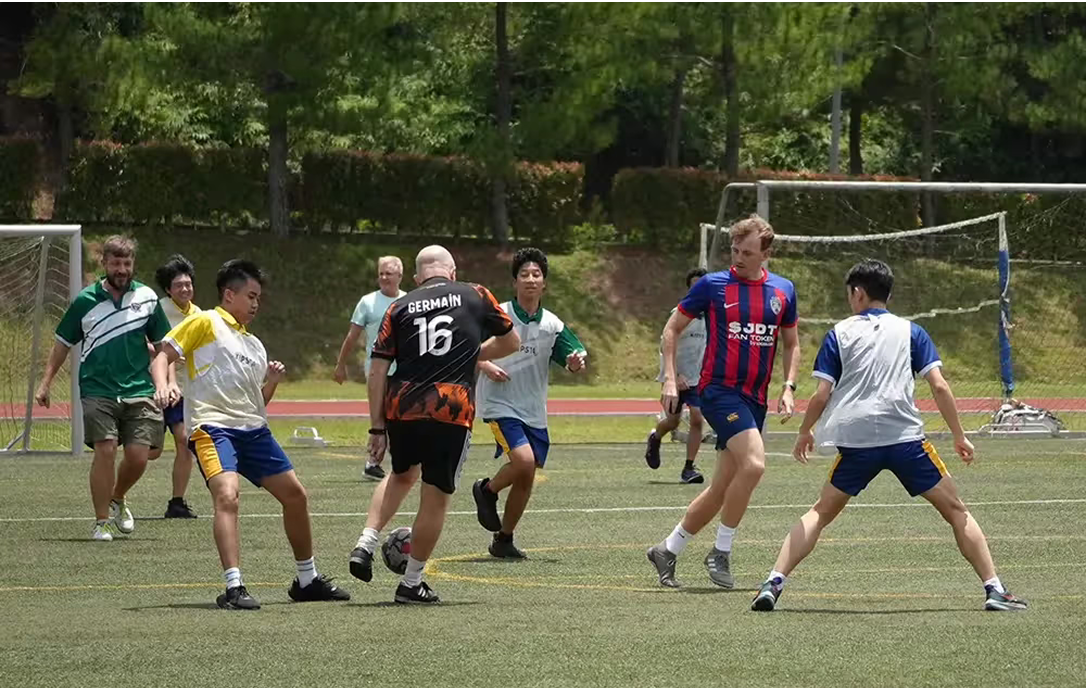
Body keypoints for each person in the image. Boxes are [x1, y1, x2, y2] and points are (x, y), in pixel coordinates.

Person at [751, 259, 1028, 613]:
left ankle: (774, 582)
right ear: (889, 294)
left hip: (857, 442)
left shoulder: (839, 333)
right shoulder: (912, 331)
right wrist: (959, 435)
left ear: (858, 293)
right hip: (905, 441)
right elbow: (939, 386)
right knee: (957, 511)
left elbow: (822, 393)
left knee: (819, 513)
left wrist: (806, 431)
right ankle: (995, 589)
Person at [151, 259, 350, 610]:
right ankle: (234, 586)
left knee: (296, 496)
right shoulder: (205, 321)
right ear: (229, 295)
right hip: (212, 428)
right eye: (251, 296)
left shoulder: (255, 346)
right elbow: (162, 357)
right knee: (227, 495)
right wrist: (163, 386)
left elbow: (259, 403)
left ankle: (307, 580)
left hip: (253, 432)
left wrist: (270, 384)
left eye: (259, 297)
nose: (257, 304)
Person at [347, 245, 519, 604]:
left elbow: (377, 370)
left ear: (416, 279)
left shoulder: (398, 306)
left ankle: (366, 540)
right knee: (435, 495)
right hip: (451, 407)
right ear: (452, 272)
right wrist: (472, 351)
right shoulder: (476, 294)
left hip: (403, 405)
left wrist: (376, 427)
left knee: (401, 475)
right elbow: (511, 340)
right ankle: (412, 582)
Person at [647, 215, 801, 589]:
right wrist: (669, 377)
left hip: (756, 399)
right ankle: (721, 551)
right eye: (734, 249)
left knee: (721, 488)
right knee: (755, 464)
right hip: (718, 393)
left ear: (767, 253)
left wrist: (789, 386)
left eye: (747, 252)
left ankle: (667, 549)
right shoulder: (713, 286)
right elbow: (671, 329)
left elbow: (792, 343)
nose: (738, 257)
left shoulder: (783, 291)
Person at [35, 235, 170, 542]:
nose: (122, 269)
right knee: (106, 449)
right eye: (116, 263)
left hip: (139, 388)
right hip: (97, 389)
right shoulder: (85, 300)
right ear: (104, 263)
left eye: (127, 263)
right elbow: (62, 344)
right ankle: (101, 522)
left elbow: (164, 346)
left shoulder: (147, 298)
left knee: (139, 456)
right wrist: (46, 383)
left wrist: (166, 382)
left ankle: (118, 496)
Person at [472, 247, 588, 558]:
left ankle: (504, 539)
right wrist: (485, 365)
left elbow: (573, 356)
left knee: (527, 472)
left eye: (536, 274)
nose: (531, 279)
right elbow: (468, 347)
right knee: (523, 462)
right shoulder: (500, 314)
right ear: (515, 282)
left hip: (534, 410)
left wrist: (576, 363)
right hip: (499, 404)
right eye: (524, 274)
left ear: (544, 283)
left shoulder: (552, 324)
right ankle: (486, 491)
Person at [334, 255, 407, 482]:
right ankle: (373, 463)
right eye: (381, 273)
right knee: (380, 417)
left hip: (404, 369)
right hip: (377, 370)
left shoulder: (408, 300)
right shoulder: (367, 302)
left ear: (400, 277)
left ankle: (400, 461)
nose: (384, 278)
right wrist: (340, 365)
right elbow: (352, 336)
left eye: (389, 273)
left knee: (401, 417)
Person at [644, 267, 709, 485]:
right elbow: (665, 345)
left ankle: (689, 468)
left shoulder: (713, 316)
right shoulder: (680, 314)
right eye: (695, 286)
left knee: (698, 418)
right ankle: (655, 436)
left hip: (698, 379)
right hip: (676, 376)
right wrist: (674, 376)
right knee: (672, 422)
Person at [148, 254, 200, 519]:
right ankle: (116, 488)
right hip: (156, 388)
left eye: (188, 284)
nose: (185, 289)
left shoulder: (198, 315)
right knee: (151, 452)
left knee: (184, 441)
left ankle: (176, 502)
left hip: (183, 391)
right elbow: (146, 342)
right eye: (179, 285)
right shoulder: (157, 309)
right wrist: (162, 356)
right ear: (168, 289)